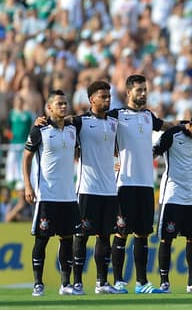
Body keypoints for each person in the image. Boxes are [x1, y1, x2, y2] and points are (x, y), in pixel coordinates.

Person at [107, 74, 172, 294]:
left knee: (142, 234)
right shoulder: (115, 115)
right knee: (121, 233)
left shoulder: (148, 116)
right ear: (128, 93)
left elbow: (166, 126)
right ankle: (118, 281)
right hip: (124, 183)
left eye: (145, 89)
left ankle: (142, 282)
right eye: (139, 90)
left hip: (146, 184)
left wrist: (188, 126)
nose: (143, 93)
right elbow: (93, 129)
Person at [23, 90, 82, 296]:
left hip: (68, 195)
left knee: (67, 239)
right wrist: (28, 186)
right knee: (42, 239)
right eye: (59, 104)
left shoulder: (73, 128)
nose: (63, 106)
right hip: (46, 195)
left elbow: (92, 118)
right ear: (49, 108)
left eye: (65, 103)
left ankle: (65, 284)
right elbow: (26, 158)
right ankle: (38, 283)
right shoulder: (40, 130)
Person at [153, 110, 192, 294]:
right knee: (167, 239)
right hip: (172, 194)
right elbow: (154, 152)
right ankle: (164, 283)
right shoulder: (173, 135)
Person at [70, 81, 123, 294]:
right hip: (87, 188)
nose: (107, 99)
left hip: (109, 189)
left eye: (109, 96)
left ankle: (102, 282)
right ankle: (77, 282)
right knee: (81, 236)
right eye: (103, 96)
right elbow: (61, 124)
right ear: (92, 99)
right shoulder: (80, 122)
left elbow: (116, 148)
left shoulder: (114, 123)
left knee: (105, 236)